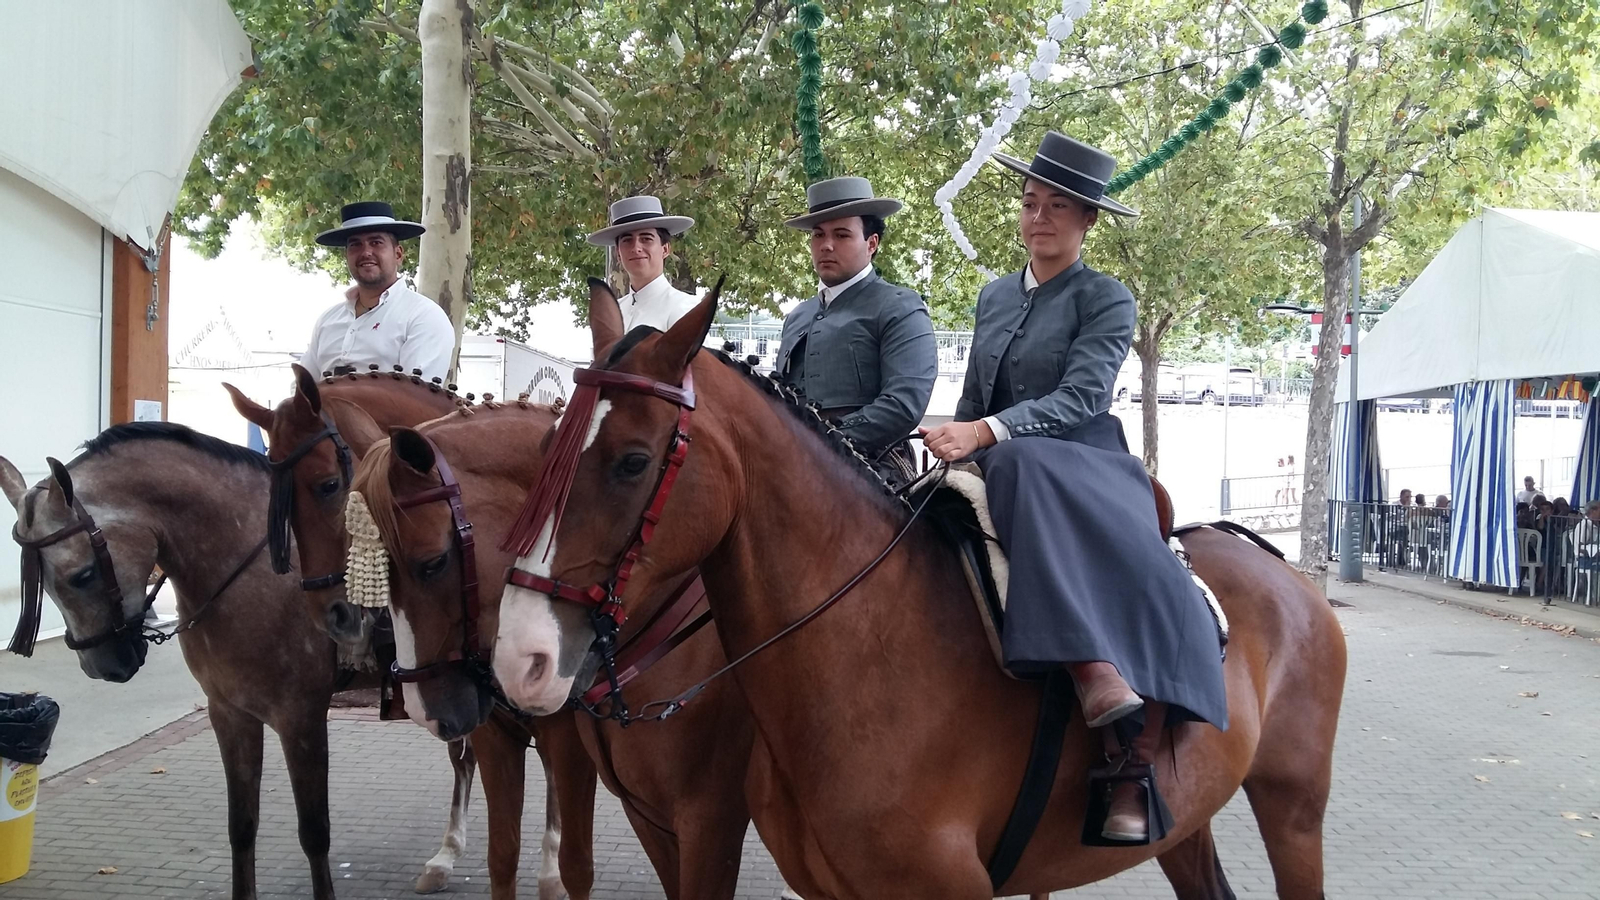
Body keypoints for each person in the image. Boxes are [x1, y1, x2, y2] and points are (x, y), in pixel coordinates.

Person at [919, 132, 1226, 845]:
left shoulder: (1107, 298)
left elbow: (1084, 396)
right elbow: (972, 397)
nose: (1039, 218)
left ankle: (1113, 714)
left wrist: (988, 435)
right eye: (1030, 204)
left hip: (1083, 458)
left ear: (1087, 221)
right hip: (998, 454)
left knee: (1018, 464)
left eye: (1059, 207)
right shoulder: (994, 296)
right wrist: (949, 440)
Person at [775, 177, 937, 481]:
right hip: (792, 462)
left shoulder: (900, 306)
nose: (826, 245)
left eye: (842, 235)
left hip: (873, 467)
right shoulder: (798, 315)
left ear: (871, 243)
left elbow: (904, 404)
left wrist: (823, 439)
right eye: (818, 234)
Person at [302, 201, 456, 381]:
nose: (366, 252)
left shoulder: (423, 316)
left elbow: (416, 399)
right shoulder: (328, 320)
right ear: (347, 256)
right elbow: (303, 389)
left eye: (376, 242)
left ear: (398, 254)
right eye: (355, 245)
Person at [586, 195, 700, 333]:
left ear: (665, 249)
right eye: (627, 240)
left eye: (646, 239)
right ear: (618, 253)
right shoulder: (613, 313)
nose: (636, 248)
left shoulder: (684, 308)